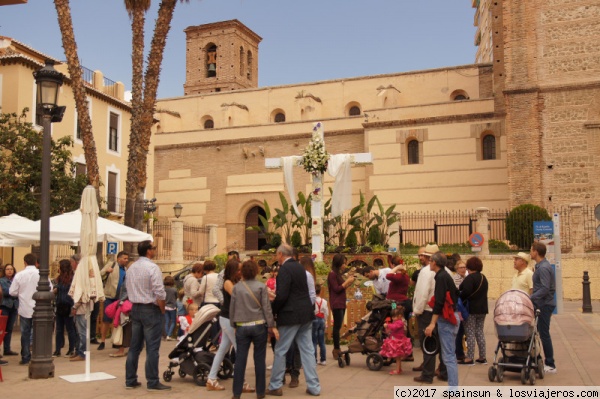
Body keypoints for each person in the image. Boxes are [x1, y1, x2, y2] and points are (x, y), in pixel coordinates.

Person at [267, 243, 321, 397]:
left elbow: (283, 295)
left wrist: (274, 309)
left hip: (290, 315)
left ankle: (275, 385)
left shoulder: (284, 269)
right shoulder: (300, 268)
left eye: (277, 255)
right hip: (305, 314)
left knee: (281, 350)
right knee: (307, 350)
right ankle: (314, 386)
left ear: (280, 254)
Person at [125, 241, 170, 391]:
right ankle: (152, 381)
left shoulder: (131, 267)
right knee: (152, 347)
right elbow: (159, 291)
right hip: (150, 308)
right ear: (149, 251)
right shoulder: (152, 267)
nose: (156, 250)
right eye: (154, 248)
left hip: (135, 307)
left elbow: (127, 286)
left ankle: (130, 379)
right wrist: (162, 309)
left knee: (134, 346)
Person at [229, 259, 276, 399]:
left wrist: (233, 324)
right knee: (259, 359)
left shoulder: (237, 287)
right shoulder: (261, 287)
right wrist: (271, 325)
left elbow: (232, 308)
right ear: (256, 271)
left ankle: (236, 393)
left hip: (242, 326)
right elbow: (267, 308)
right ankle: (260, 392)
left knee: (240, 360)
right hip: (258, 325)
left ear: (242, 272)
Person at [412, 244, 447, 383]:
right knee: (442, 343)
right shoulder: (445, 271)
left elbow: (422, 293)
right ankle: (443, 372)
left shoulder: (426, 272)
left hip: (427, 311)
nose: (421, 258)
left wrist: (417, 310)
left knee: (428, 343)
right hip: (441, 312)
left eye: (423, 256)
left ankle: (427, 374)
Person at [424, 251, 460, 388]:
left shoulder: (441, 277)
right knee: (450, 354)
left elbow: (439, 302)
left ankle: (453, 389)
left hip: (447, 320)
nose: (429, 262)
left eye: (431, 260)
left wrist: (432, 323)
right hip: (452, 316)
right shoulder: (445, 275)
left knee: (449, 356)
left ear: (434, 262)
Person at [10, 253, 51, 365]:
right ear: (36, 262)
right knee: (38, 332)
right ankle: (37, 355)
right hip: (39, 308)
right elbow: (50, 288)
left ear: (25, 262)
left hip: (24, 308)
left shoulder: (19, 275)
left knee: (25, 333)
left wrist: (21, 293)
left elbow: (12, 292)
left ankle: (25, 356)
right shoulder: (42, 274)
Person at [530, 242, 556, 374]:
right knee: (539, 332)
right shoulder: (540, 266)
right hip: (541, 303)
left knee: (544, 334)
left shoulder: (544, 268)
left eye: (531, 250)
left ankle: (550, 364)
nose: (530, 252)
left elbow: (545, 288)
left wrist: (531, 298)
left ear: (536, 252)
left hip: (545, 304)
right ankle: (539, 358)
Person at [458, 257, 489, 365]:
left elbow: (464, 291)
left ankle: (469, 357)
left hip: (471, 309)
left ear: (469, 267)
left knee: (470, 333)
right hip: (483, 309)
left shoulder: (469, 278)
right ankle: (482, 357)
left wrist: (459, 297)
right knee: (479, 332)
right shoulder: (483, 278)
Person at [99, 251, 129, 350]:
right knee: (106, 319)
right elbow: (100, 274)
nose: (126, 260)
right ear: (119, 258)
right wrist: (107, 271)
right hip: (110, 296)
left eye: (127, 258)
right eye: (124, 258)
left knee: (118, 320)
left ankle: (115, 340)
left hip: (120, 298)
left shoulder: (125, 269)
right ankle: (102, 341)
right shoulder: (112, 264)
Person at [328, 253, 355, 360]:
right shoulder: (332, 274)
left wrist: (349, 281)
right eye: (343, 263)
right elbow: (337, 289)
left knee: (338, 327)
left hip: (341, 302)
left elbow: (342, 288)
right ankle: (336, 348)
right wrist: (347, 282)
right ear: (338, 263)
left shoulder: (337, 274)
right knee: (337, 327)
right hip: (336, 303)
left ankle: (337, 348)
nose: (345, 265)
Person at [53, 259, 77, 358]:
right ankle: (58, 349)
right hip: (60, 304)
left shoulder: (73, 278)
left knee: (70, 328)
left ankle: (71, 349)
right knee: (59, 329)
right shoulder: (59, 278)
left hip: (68, 305)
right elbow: (57, 290)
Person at [380, 307, 412, 375]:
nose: (393, 318)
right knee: (397, 358)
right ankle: (399, 369)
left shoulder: (400, 322)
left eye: (394, 316)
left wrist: (387, 325)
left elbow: (394, 327)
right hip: (396, 340)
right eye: (392, 317)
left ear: (399, 316)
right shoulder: (397, 322)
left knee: (397, 357)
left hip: (398, 341)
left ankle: (397, 370)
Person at [0, 263, 19, 357]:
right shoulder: (1, 280)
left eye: (11, 269)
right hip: (5, 306)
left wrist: (14, 292)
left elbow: (18, 291)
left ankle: (7, 349)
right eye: (7, 269)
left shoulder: (15, 280)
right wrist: (14, 292)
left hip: (14, 307)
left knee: (9, 328)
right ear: (4, 271)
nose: (9, 271)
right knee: (2, 329)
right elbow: (5, 291)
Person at [453, 260, 467, 362]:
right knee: (459, 331)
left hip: (463, 307)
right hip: (458, 307)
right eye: (461, 267)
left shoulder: (465, 278)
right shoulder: (456, 278)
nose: (463, 269)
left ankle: (460, 351)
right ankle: (459, 353)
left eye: (464, 267)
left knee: (461, 331)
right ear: (457, 269)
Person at [312, 284, 328, 366]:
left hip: (314, 319)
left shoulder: (312, 300)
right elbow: (326, 312)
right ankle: (323, 359)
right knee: (322, 341)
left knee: (314, 340)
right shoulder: (324, 301)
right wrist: (325, 321)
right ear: (320, 291)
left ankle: (314, 359)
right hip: (321, 319)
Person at [164, 275, 177, 340]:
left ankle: (167, 335)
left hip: (165, 306)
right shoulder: (174, 290)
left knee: (167, 321)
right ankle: (169, 335)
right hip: (172, 307)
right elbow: (176, 297)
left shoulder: (163, 289)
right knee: (173, 321)